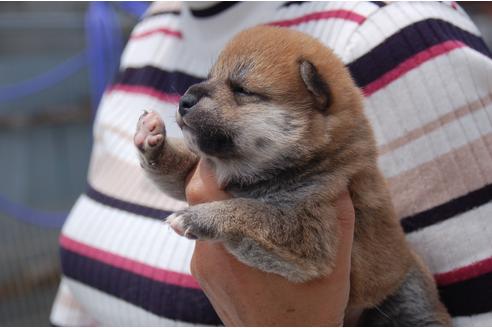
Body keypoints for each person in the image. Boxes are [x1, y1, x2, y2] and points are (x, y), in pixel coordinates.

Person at [50, 1, 492, 326]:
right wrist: (160, 157)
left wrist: (226, 220)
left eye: (241, 93)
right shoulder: (152, 29)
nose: (193, 98)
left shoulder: (394, 31)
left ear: (316, 102)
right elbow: (195, 185)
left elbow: (306, 247)